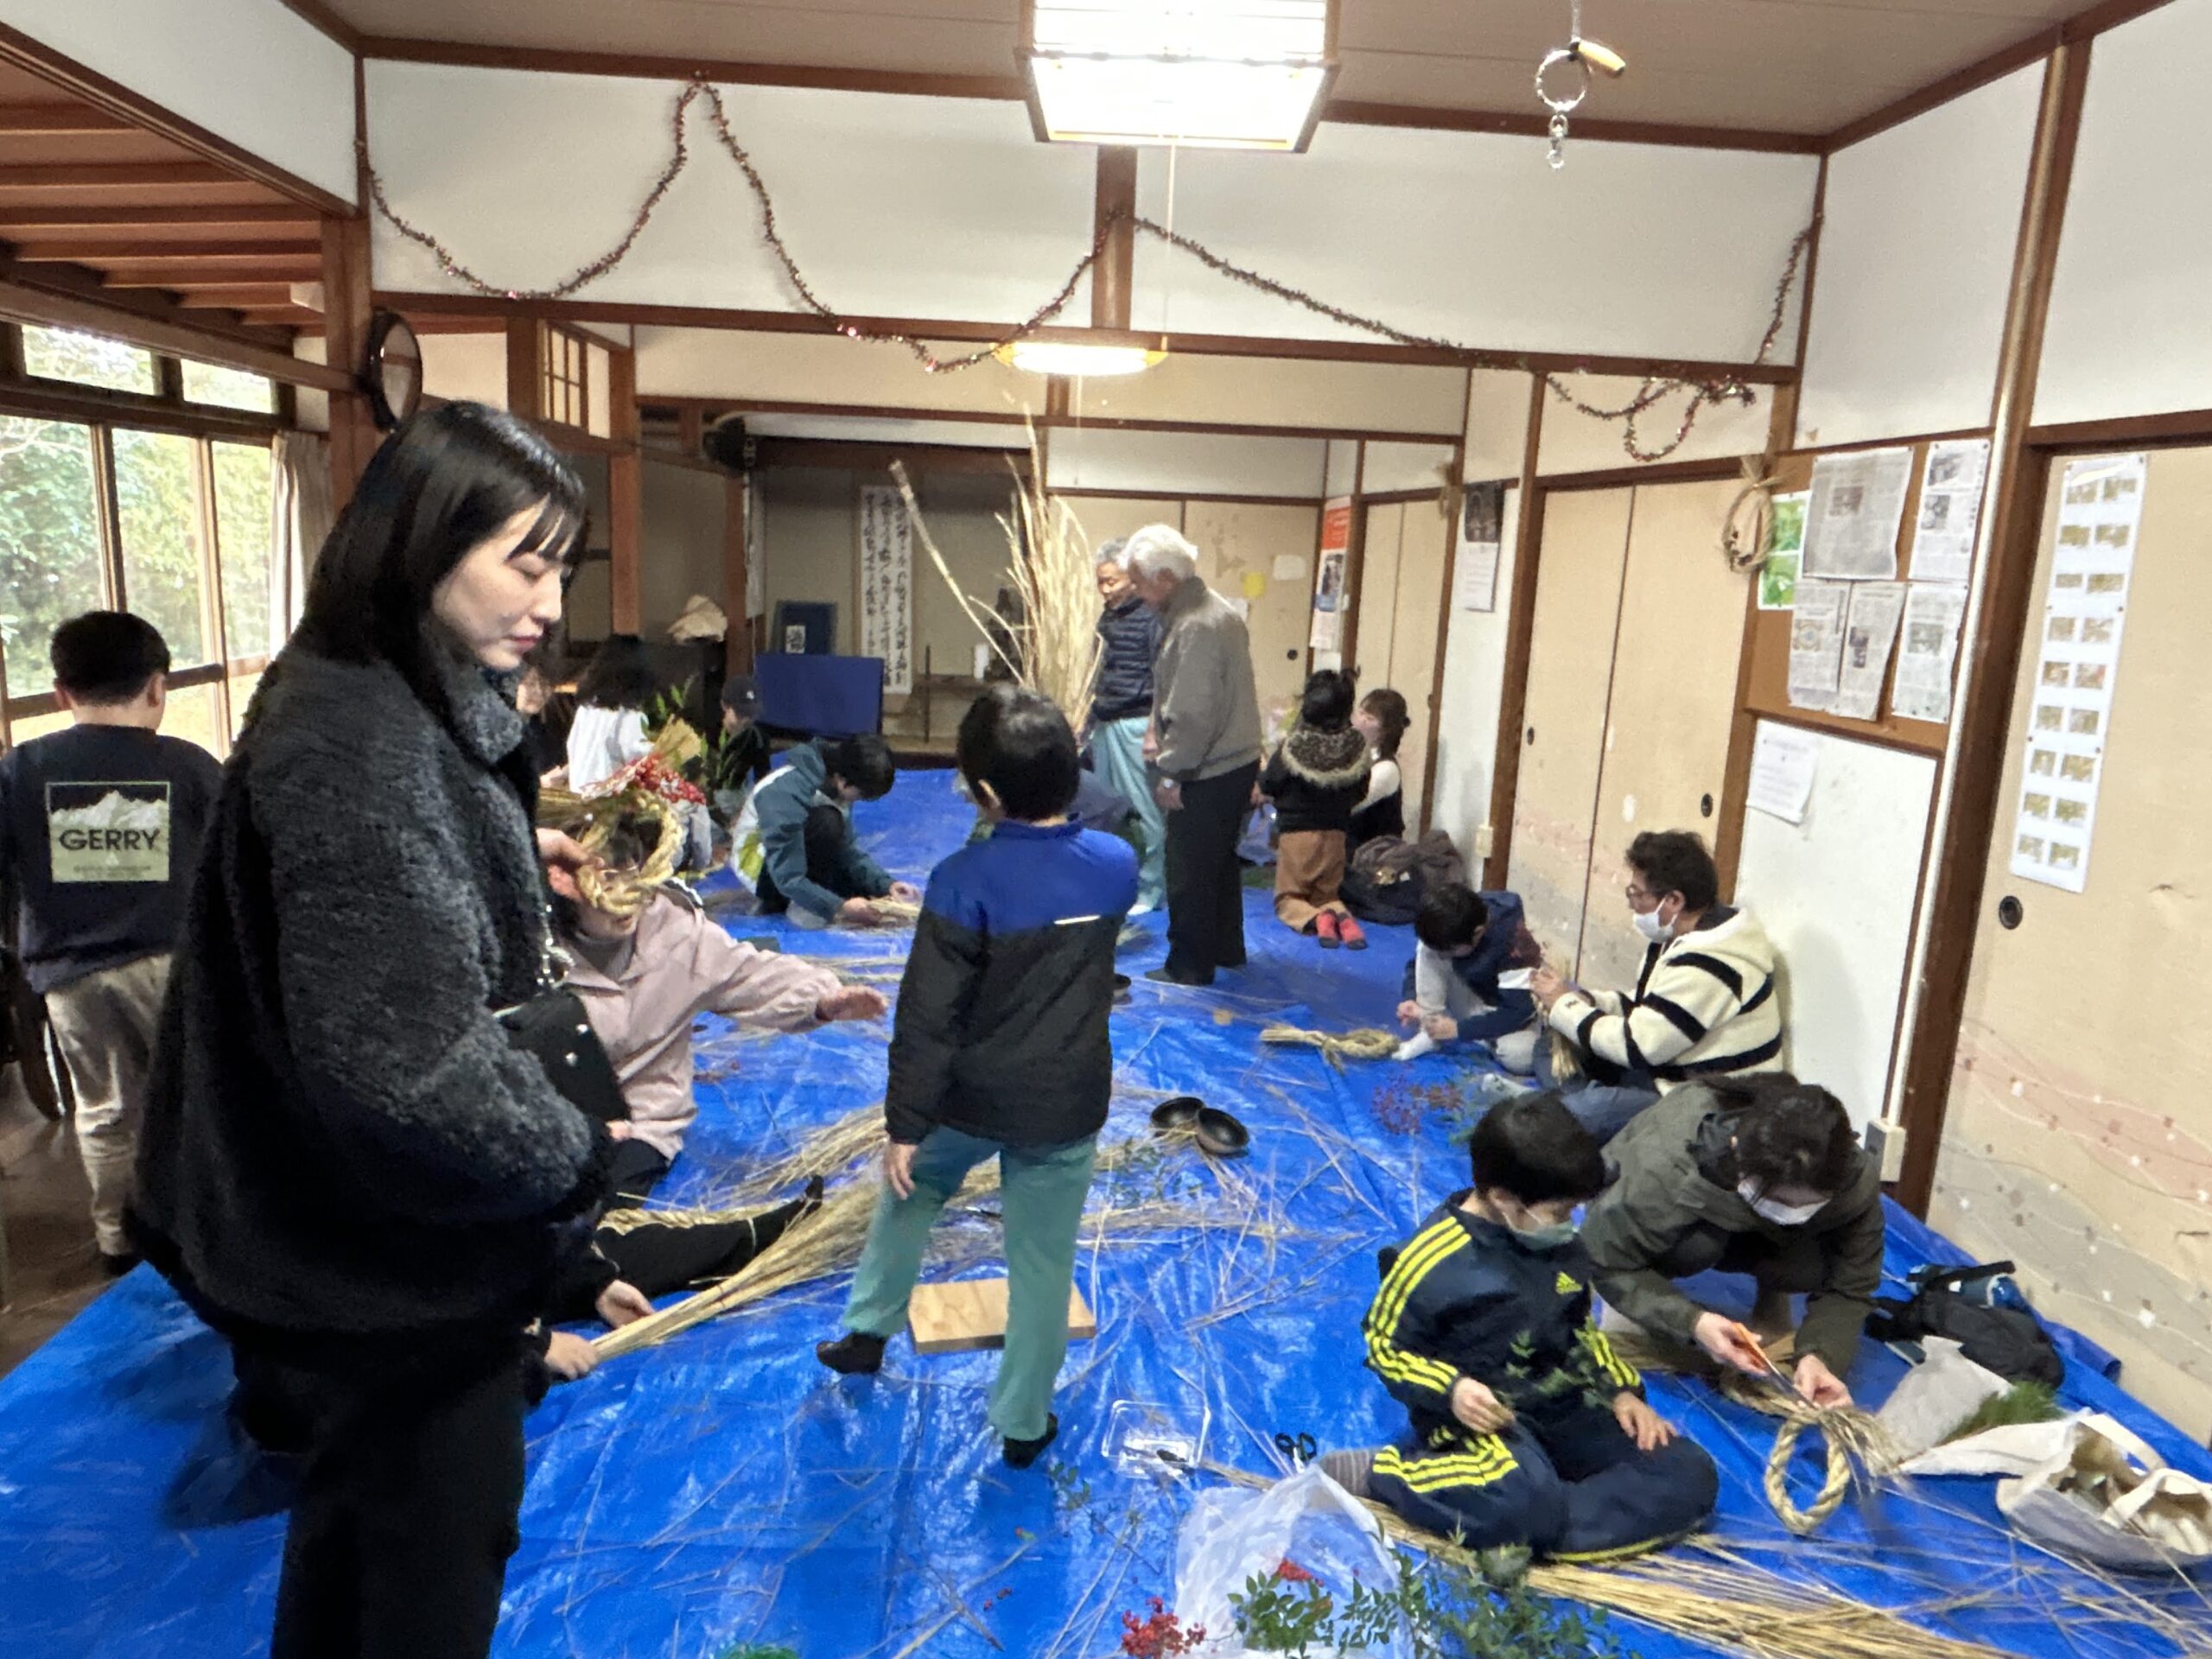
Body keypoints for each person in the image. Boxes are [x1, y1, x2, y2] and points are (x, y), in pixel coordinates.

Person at [132, 403, 613, 1659]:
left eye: (562, 568)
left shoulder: (375, 692)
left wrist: (503, 853)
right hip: (383, 1259)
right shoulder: (356, 749)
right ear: (423, 541)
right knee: (425, 1569)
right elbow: (408, 1071)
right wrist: (572, 1159)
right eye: (524, 562)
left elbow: (396, 895)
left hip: (350, 1241)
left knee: (355, 1546)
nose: (549, 602)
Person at [816, 686, 1137, 1468]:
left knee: (910, 1188)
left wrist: (905, 1124)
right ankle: (1024, 1423)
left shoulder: (962, 878)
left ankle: (867, 1331)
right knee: (1043, 1263)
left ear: (984, 793)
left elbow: (929, 1015)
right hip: (1065, 1102)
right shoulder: (1117, 865)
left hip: (969, 1095)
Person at [1325, 1093, 1717, 1559]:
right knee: (1522, 1500)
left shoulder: (1558, 1245)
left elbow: (1581, 1329)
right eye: (1559, 1213)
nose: (1569, 1224)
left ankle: (1539, 1523)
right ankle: (1386, 1475)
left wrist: (1622, 1392)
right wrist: (1452, 1390)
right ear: (1503, 1199)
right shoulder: (1430, 1261)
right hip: (1487, 1416)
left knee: (1690, 1471)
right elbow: (1384, 1347)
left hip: (1561, 1399)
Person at [538, 798, 885, 1318]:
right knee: (514, 1247)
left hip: (640, 1123)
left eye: (635, 880)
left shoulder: (675, 932)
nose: (626, 903)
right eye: (606, 886)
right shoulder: (530, 949)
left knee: (574, 1241)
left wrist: (821, 999)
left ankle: (755, 1237)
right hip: (550, 1127)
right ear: (566, 886)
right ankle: (589, 1278)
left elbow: (748, 973)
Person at [0, 611, 221, 1272]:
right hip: (173, 963)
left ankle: (118, 1242)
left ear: (61, 692)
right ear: (157, 686)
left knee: (103, 1111)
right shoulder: (187, 766)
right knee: (194, 1102)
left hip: (71, 976)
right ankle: (204, 1234)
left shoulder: (21, 771)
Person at [1581, 1075, 1883, 1410]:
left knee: (1811, 1264)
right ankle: (1642, 1298)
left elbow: (1851, 1285)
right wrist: (1690, 1320)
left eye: (1806, 1205)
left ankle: (1773, 1295)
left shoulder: (1850, 1178)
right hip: (1665, 1214)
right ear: (1737, 1147)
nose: (1790, 1213)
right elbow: (1604, 1258)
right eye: (1777, 1200)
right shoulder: (1666, 1167)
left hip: (1747, 1223)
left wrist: (1821, 1356)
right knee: (1693, 1249)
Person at [1530, 830, 1783, 1142]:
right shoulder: (1677, 936)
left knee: (1587, 1109)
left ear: (1674, 900)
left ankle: (1577, 1112)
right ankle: (1578, 1113)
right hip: (1662, 1065)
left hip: (1701, 1100)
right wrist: (1586, 1000)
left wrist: (1565, 1006)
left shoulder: (1709, 965)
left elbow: (1636, 1047)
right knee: (1550, 1047)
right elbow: (1644, 1008)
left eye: (1638, 895)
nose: (1633, 904)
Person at [1123, 524, 1262, 987]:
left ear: (1165, 578)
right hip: (1236, 760)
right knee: (1219, 864)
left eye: (1139, 582)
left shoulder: (1195, 625)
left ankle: (1189, 965)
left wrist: (1171, 774)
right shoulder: (1216, 609)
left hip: (1208, 766)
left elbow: (1192, 714)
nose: (1136, 592)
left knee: (1188, 869)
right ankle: (1225, 949)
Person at [729, 732, 919, 927]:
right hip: (763, 867)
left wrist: (886, 885)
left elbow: (847, 851)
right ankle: (794, 904)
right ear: (842, 780)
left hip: (795, 858)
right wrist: (838, 906)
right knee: (828, 823)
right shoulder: (786, 792)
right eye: (861, 795)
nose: (857, 801)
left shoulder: (839, 783)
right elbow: (787, 877)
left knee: (863, 895)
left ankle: (812, 896)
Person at [1259, 669, 1370, 949]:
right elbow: (1361, 791)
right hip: (1336, 836)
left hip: (1297, 836)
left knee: (1289, 898)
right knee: (1327, 895)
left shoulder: (1294, 747)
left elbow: (1270, 783)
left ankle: (1318, 919)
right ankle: (1344, 921)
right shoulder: (1356, 748)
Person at [1088, 541, 1166, 911]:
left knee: (1145, 811)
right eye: (1100, 582)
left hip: (1135, 724)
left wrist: (1153, 731)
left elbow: (1163, 680)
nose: (1105, 590)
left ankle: (1152, 889)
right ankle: (1113, 883)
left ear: (1133, 578)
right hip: (1104, 722)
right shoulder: (1108, 618)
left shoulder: (1152, 618)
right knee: (1105, 809)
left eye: (1112, 581)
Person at [1393, 884, 1541, 1069]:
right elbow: (1418, 964)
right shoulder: (1457, 918)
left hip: (1507, 1009)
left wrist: (1459, 1030)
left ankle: (1482, 1036)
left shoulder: (1513, 943)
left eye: (1449, 951)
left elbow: (1519, 1010)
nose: (1442, 957)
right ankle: (1430, 1029)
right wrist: (1412, 997)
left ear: (1478, 932)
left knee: (1518, 1056)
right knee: (1429, 948)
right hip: (1472, 994)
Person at [566, 632, 658, 787]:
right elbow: (636, 757)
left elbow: (572, 747)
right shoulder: (628, 714)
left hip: (579, 794)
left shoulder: (587, 708)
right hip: (607, 797)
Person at [1349, 687, 1409, 853]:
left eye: (1370, 718)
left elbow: (1351, 805)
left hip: (1374, 855)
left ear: (1386, 730)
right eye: (1361, 713)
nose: (1361, 721)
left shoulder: (1386, 768)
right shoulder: (1355, 754)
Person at [712, 672, 775, 818]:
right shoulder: (708, 732)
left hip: (733, 799)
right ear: (724, 706)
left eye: (751, 715)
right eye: (740, 714)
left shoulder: (757, 738)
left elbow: (762, 781)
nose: (746, 720)